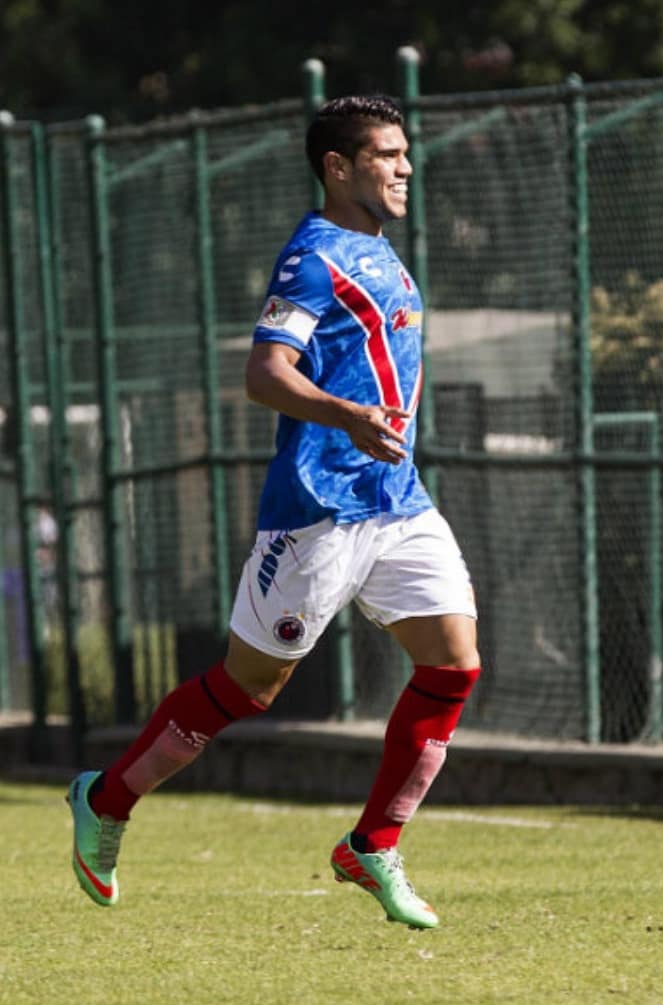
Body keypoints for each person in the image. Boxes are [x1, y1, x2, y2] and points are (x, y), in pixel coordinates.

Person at [67, 94, 480, 931]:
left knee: (453, 664)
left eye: (405, 153)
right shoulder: (313, 257)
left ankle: (373, 841)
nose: (404, 167)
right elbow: (265, 374)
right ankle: (106, 799)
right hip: (318, 509)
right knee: (249, 687)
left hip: (397, 501)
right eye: (386, 154)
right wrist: (348, 417)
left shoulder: (383, 252)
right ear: (337, 166)